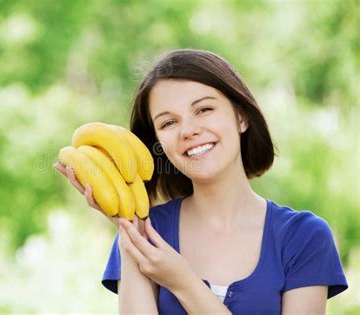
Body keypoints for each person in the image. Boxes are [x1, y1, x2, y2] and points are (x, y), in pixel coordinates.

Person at [54, 49, 348, 314]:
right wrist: (131, 232)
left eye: (204, 109)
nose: (188, 130)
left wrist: (183, 283)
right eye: (168, 123)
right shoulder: (148, 232)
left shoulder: (304, 237)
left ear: (241, 117)